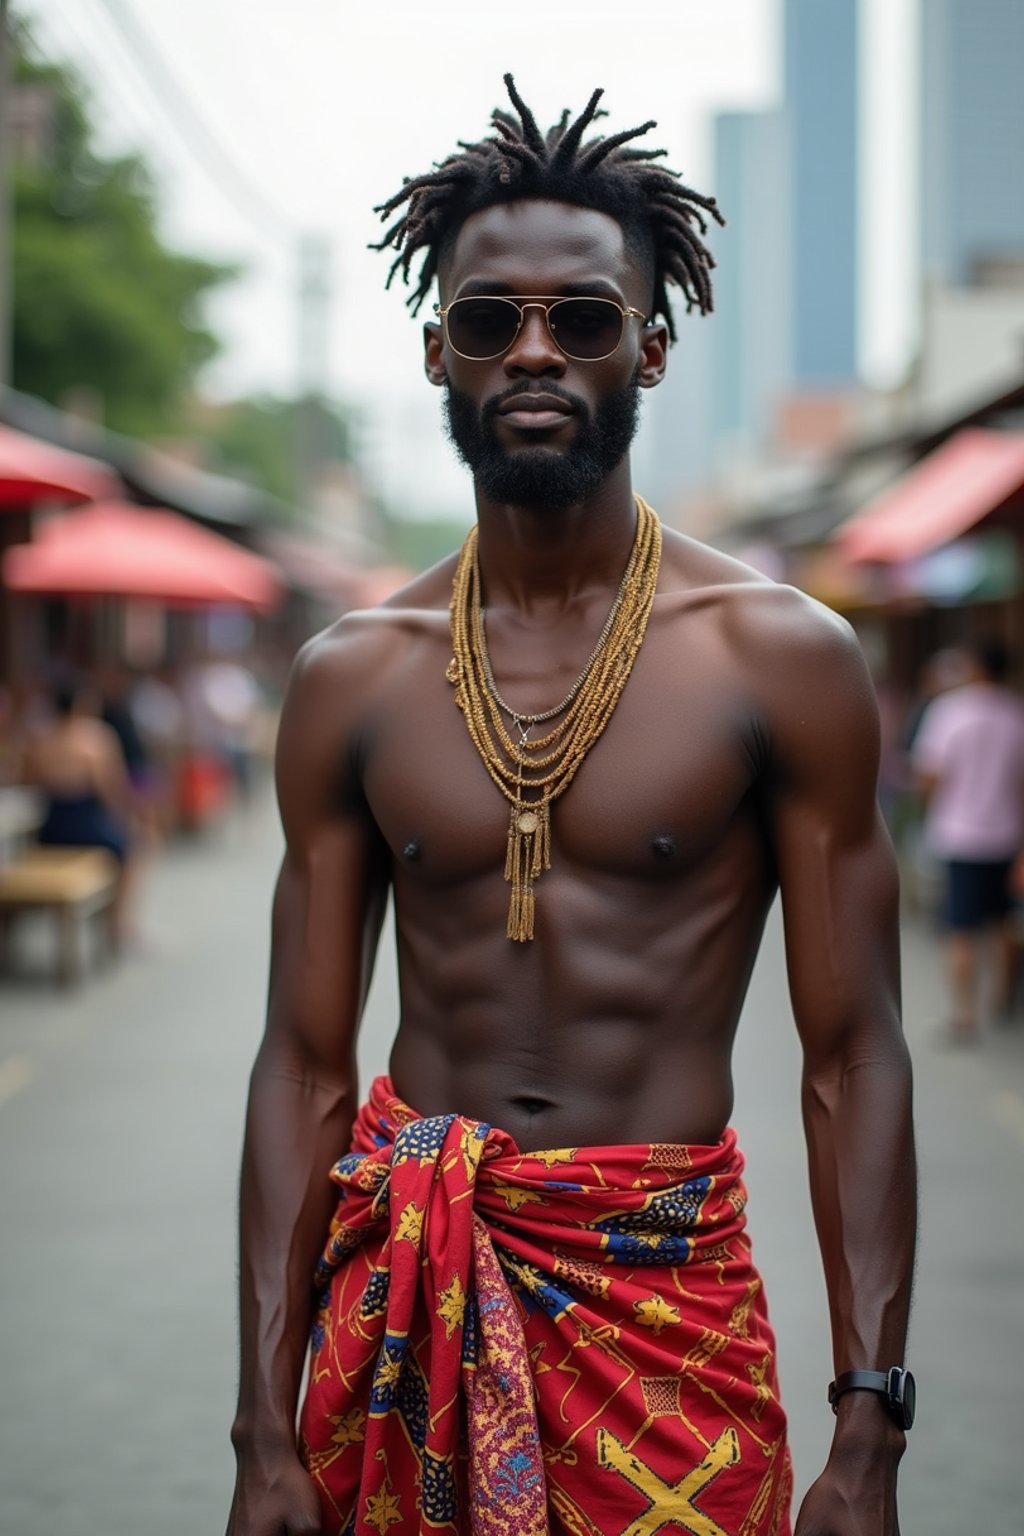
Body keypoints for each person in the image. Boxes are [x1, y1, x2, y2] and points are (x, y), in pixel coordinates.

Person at [227, 78, 915, 1536]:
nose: (533, 349)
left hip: (665, 1310)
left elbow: (853, 1055)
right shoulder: (353, 677)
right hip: (413, 1301)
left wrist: (871, 1425)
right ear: (439, 350)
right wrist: (260, 1432)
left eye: (583, 318)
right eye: (489, 320)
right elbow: (300, 1065)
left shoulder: (780, 659)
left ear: (649, 347)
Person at [913, 638, 1024, 1041]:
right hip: (1008, 835)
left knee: (960, 929)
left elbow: (929, 775)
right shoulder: (1016, 713)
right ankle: (1002, 998)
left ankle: (964, 1016)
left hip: (959, 834)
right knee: (1005, 922)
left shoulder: (950, 712)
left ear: (975, 667)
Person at [21, 676, 142, 943]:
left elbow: (28, 786)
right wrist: (126, 821)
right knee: (137, 846)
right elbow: (112, 791)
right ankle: (118, 924)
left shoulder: (39, 741)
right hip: (87, 826)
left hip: (50, 827)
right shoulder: (96, 739)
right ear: (80, 704)